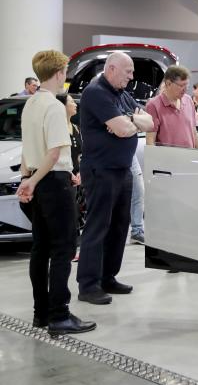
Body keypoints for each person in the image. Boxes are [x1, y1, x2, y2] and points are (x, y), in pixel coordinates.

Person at [17, 50, 95, 334]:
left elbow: (28, 151)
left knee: (40, 248)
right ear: (60, 73)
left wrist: (27, 180)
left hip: (37, 180)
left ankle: (41, 313)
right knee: (63, 248)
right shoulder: (53, 106)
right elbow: (54, 153)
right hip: (54, 182)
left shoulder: (31, 104)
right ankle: (60, 315)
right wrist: (34, 182)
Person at [77, 52, 154, 305]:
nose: (131, 78)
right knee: (98, 226)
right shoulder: (96, 92)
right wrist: (130, 123)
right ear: (111, 69)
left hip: (122, 169)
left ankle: (107, 276)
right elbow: (122, 130)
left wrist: (129, 119)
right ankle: (88, 285)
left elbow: (150, 122)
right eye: (128, 72)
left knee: (120, 227)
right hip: (101, 170)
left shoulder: (121, 93)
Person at [55, 93, 83, 261]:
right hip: (63, 175)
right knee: (67, 214)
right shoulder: (58, 128)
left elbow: (80, 153)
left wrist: (80, 171)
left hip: (77, 176)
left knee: (77, 214)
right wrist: (70, 173)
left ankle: (73, 248)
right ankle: (65, 249)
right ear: (62, 106)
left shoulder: (76, 127)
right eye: (72, 102)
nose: (75, 105)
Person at [146, 65, 198, 149]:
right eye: (181, 85)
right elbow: (150, 140)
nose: (185, 89)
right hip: (167, 160)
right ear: (168, 83)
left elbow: (194, 132)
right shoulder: (153, 105)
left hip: (189, 158)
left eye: (187, 85)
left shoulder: (188, 100)